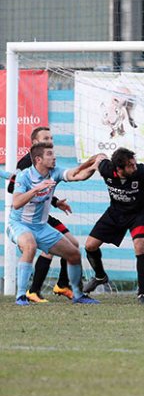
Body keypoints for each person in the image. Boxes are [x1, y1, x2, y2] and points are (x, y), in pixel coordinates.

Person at [7, 142, 104, 305]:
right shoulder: (24, 176)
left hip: (41, 227)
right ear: (38, 159)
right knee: (29, 246)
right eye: (50, 154)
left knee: (74, 254)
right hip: (19, 225)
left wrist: (94, 165)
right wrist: (36, 189)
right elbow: (16, 203)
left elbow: (77, 175)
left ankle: (78, 295)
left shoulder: (55, 172)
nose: (54, 157)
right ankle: (22, 295)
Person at [7, 126, 77, 302]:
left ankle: (61, 284)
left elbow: (49, 186)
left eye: (51, 137)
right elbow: (14, 190)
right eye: (46, 138)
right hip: (26, 217)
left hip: (44, 215)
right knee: (35, 246)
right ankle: (31, 291)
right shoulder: (25, 164)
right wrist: (35, 191)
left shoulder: (52, 165)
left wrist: (55, 201)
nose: (50, 140)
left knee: (73, 245)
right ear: (35, 144)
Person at [82, 147, 144, 305]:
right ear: (119, 168)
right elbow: (99, 157)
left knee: (140, 246)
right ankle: (100, 276)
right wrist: (82, 169)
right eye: (130, 165)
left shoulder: (142, 172)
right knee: (90, 246)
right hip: (115, 213)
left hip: (138, 214)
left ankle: (142, 294)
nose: (134, 166)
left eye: (134, 163)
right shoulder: (106, 169)